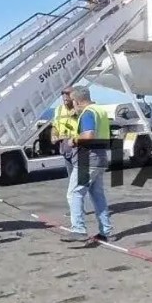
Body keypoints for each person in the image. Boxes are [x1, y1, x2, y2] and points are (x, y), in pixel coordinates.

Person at [61, 86, 114, 244]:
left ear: (77, 101)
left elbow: (89, 134)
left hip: (87, 158)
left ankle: (78, 229)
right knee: (98, 196)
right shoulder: (100, 110)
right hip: (101, 157)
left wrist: (74, 140)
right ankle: (105, 231)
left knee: (74, 193)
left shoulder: (87, 113)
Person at [51, 87, 80, 177]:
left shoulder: (81, 108)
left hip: (78, 147)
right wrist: (54, 135)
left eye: (67, 95)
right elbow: (55, 125)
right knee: (72, 177)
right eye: (63, 95)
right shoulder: (59, 109)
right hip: (65, 147)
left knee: (80, 179)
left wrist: (77, 110)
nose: (65, 98)